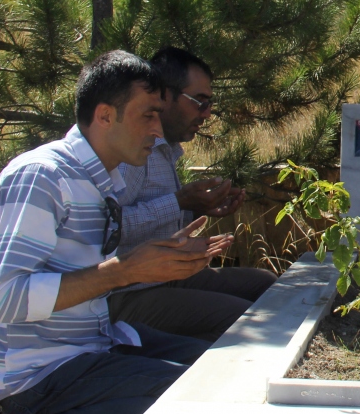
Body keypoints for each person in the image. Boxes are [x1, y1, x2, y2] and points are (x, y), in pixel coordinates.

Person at [0, 51, 235, 414]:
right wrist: (123, 271)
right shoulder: (42, 177)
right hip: (39, 374)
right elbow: (5, 300)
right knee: (194, 396)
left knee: (225, 373)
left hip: (93, 345)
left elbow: (98, 271)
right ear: (105, 115)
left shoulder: (100, 181)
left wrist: (165, 257)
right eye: (148, 115)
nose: (158, 130)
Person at [109, 47, 278, 342]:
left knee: (266, 286)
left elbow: (151, 218)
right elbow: (109, 228)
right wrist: (179, 202)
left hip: (164, 278)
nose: (207, 113)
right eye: (199, 101)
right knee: (242, 319)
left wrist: (199, 208)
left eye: (210, 103)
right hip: (126, 292)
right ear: (164, 96)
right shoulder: (133, 151)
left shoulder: (166, 149)